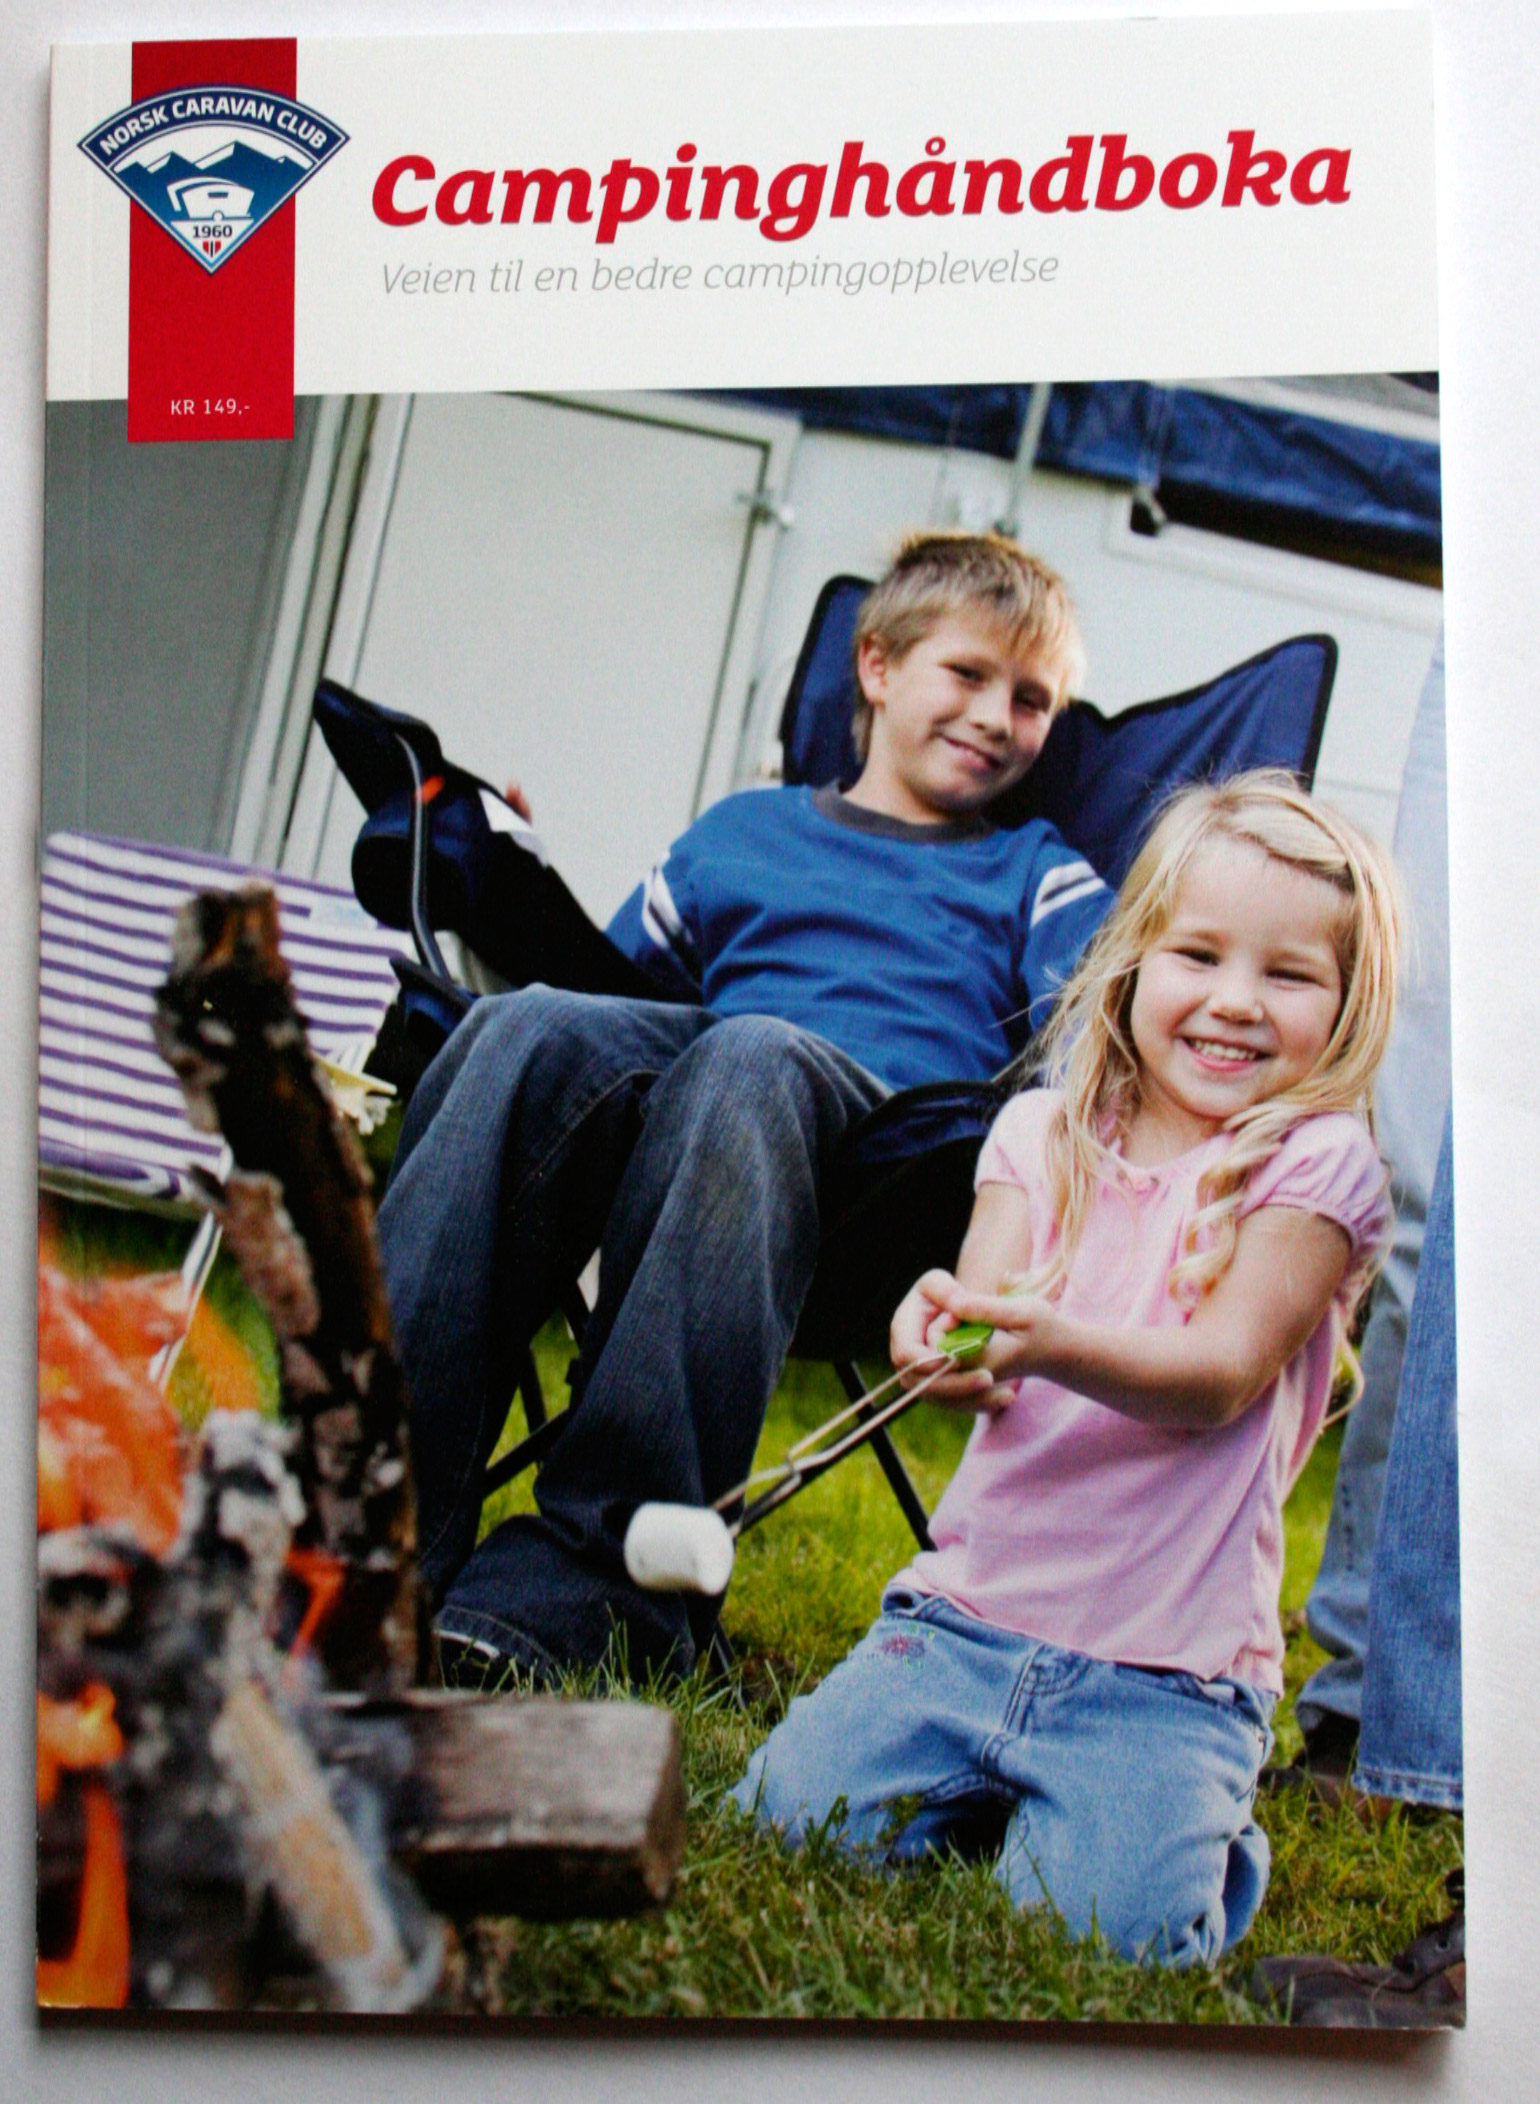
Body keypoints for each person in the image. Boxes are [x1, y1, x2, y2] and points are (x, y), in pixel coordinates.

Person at [378, 531, 1111, 1685]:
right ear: (877, 666)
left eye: (1031, 700)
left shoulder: (1035, 868)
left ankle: (603, 1587)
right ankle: (361, 1533)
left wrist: (1026, 1252)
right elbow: (606, 1003)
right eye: (968, 674)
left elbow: (1089, 1046)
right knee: (524, 1026)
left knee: (750, 1052)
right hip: (692, 1133)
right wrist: (513, 898)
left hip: (893, 1172)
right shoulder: (736, 834)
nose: (996, 717)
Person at [733, 772, 1403, 1966]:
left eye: (1289, 975)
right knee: (781, 1823)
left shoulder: (1320, 1164)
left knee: (1103, 1935)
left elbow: (1217, 1373)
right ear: (1133, 959)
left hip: (1168, 1675)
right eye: (1197, 954)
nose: (1234, 1002)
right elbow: (978, 1330)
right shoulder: (1037, 1133)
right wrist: (938, 1333)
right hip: (964, 1622)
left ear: (1347, 1006)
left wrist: (1044, 1339)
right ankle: (1004, 1807)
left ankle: (1197, 1828)